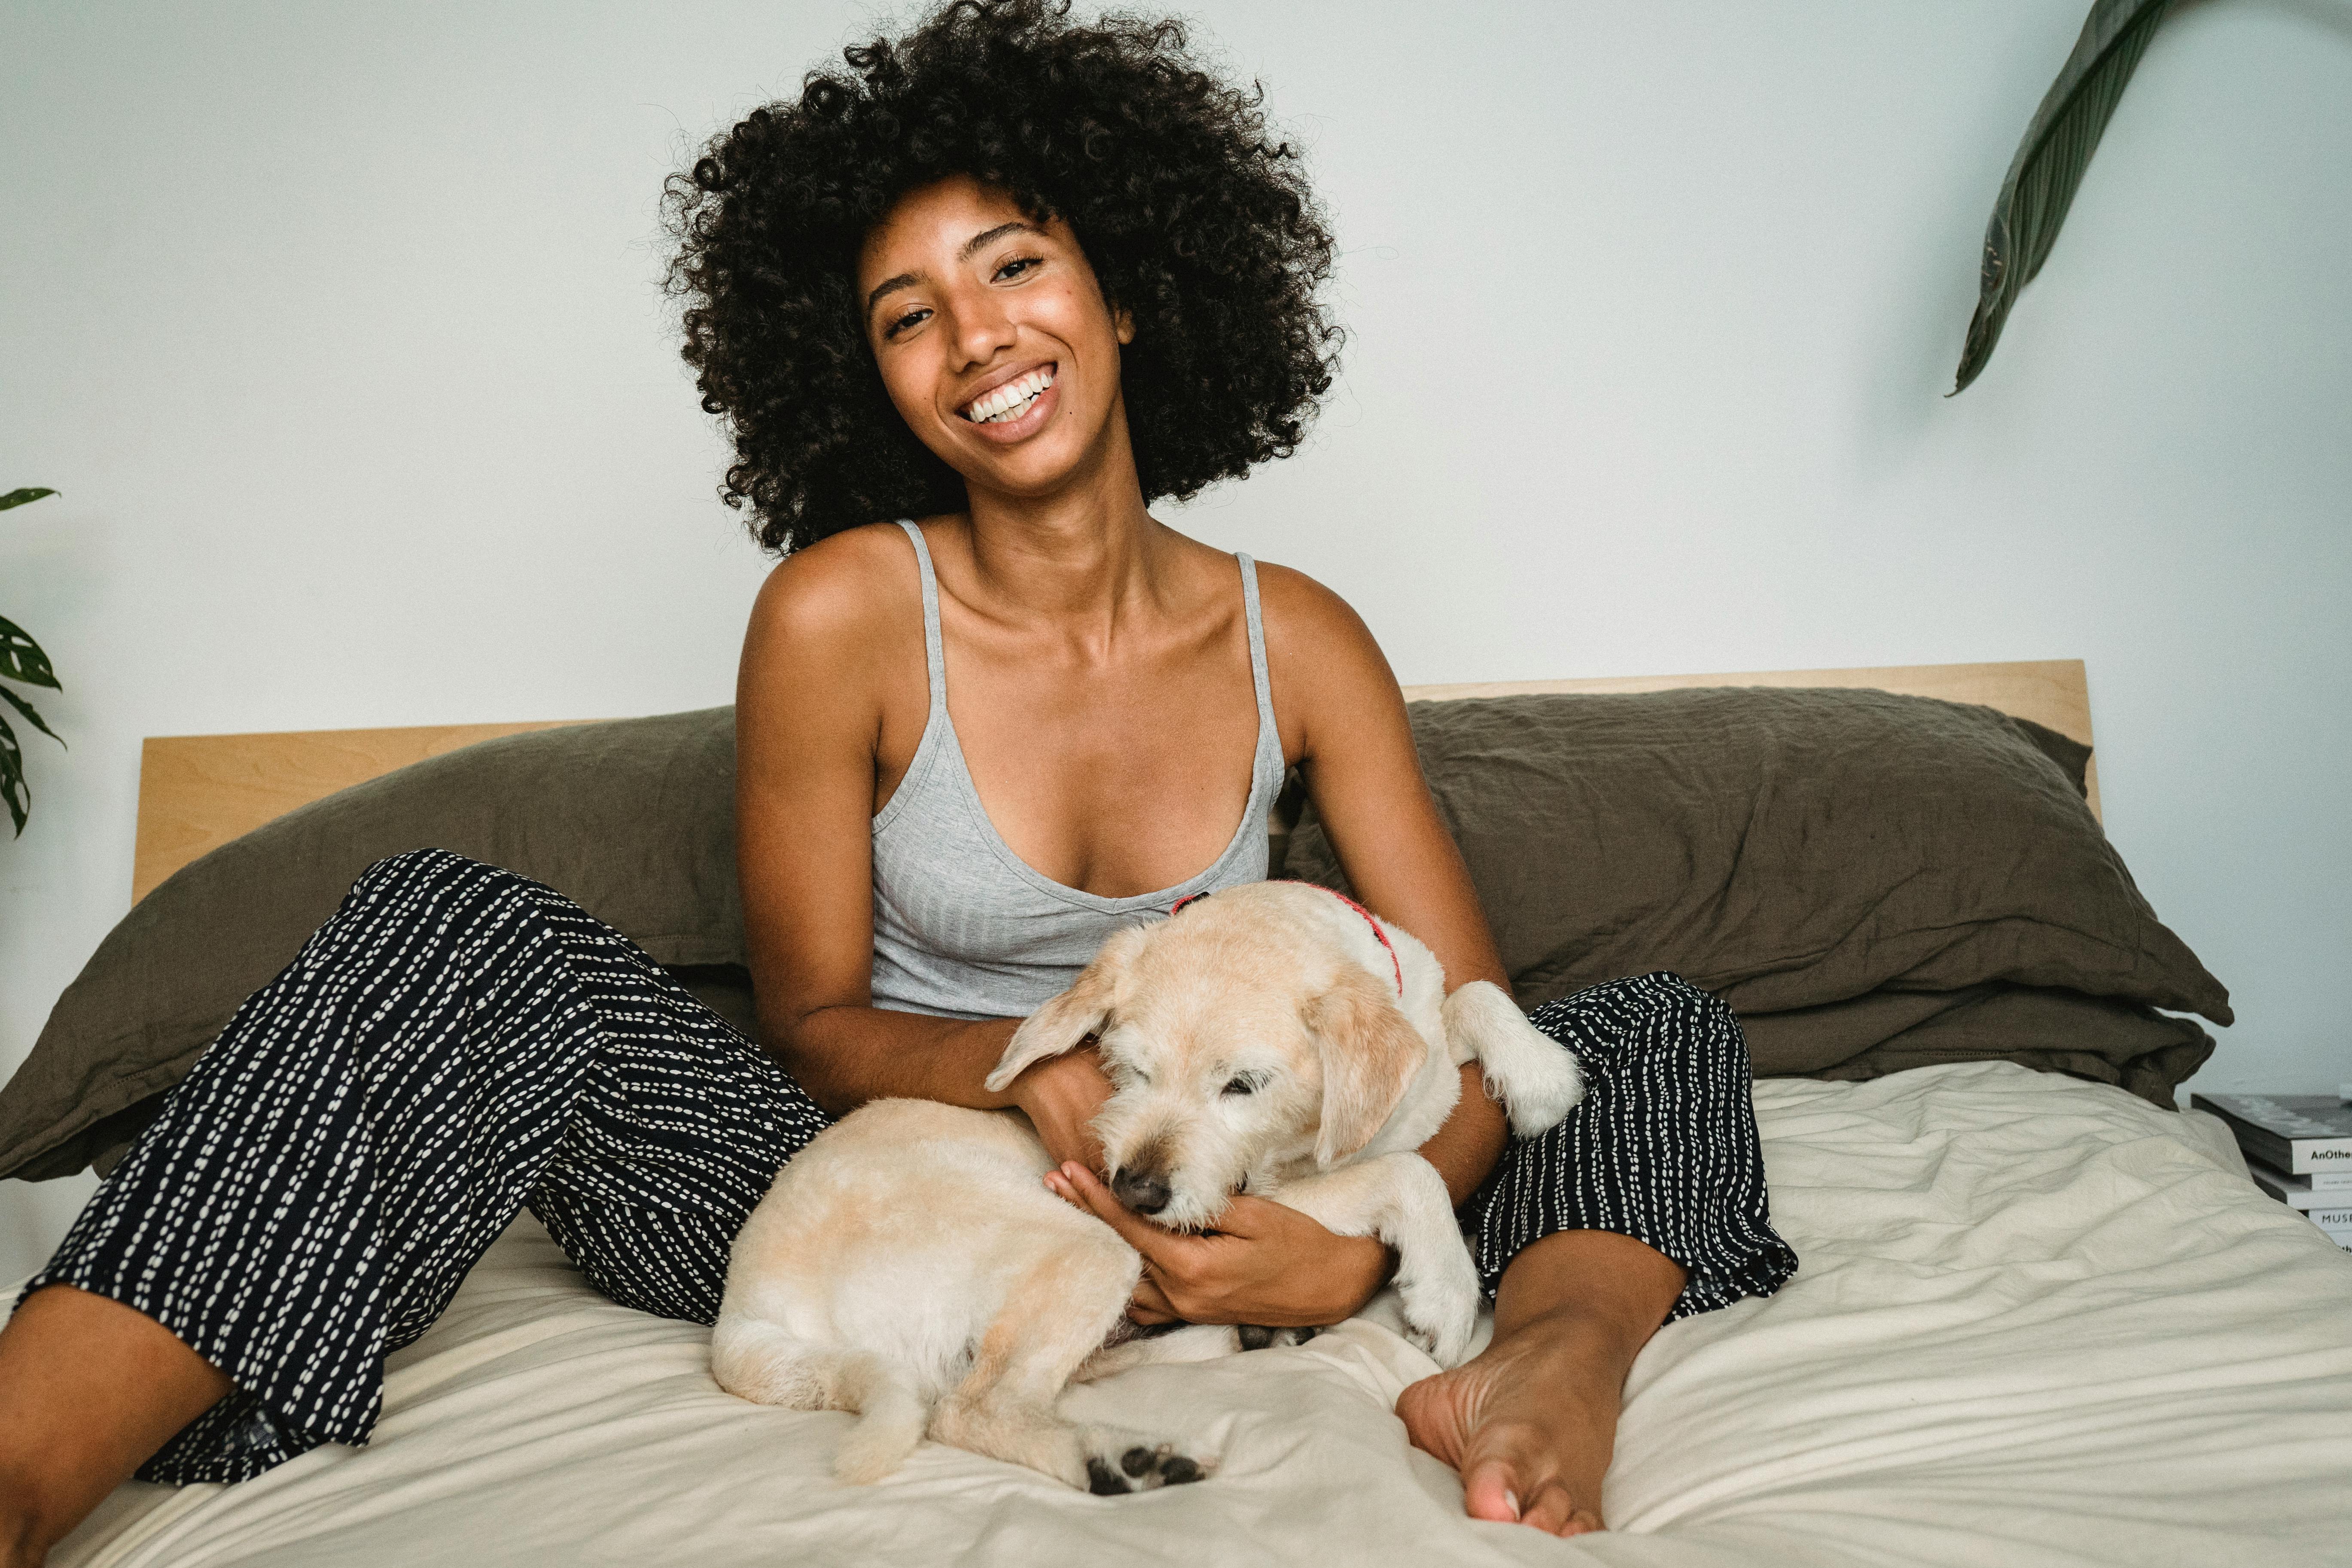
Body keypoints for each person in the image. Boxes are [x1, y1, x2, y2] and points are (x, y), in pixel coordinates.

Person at [0, 1, 1794, 1558]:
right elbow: (811, 1015)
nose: (979, 341)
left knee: (1648, 1025)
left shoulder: (1298, 639)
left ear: (1128, 288)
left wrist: (1331, 1266)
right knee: (446, 929)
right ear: (867, 381)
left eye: (1014, 264)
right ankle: (21, 1467)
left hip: (1239, 1178)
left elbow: (1464, 1015)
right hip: (881, 1175)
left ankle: (1544, 1369)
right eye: (905, 316)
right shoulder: (839, 615)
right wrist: (1040, 1087)